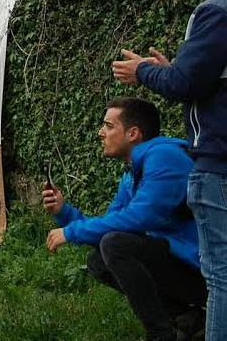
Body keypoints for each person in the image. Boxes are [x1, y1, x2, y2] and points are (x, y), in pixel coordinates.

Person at [112, 0, 227, 340]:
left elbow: (188, 84)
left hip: (217, 156)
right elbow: (206, 78)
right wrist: (174, 70)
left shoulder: (216, 10)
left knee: (221, 277)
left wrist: (145, 72)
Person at [44, 97, 206, 341]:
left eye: (108, 126)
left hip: (207, 273)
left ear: (133, 133)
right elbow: (111, 225)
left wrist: (71, 232)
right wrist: (64, 213)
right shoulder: (132, 174)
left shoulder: (165, 158)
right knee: (99, 259)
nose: (101, 132)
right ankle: (186, 319)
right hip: (181, 265)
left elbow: (138, 218)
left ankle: (162, 336)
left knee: (116, 245)